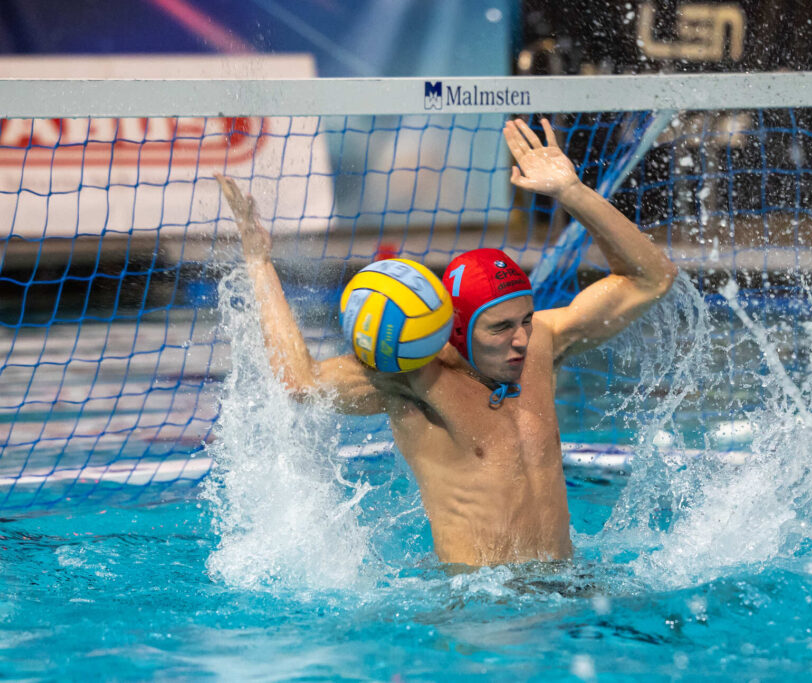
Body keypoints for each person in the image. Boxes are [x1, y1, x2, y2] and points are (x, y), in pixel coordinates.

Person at [215, 118, 677, 567]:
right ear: (456, 330)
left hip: (564, 583)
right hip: (479, 605)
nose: (521, 340)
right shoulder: (416, 381)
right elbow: (300, 382)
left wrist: (572, 193)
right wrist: (259, 262)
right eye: (499, 328)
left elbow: (650, 279)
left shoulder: (543, 344)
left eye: (526, 320)